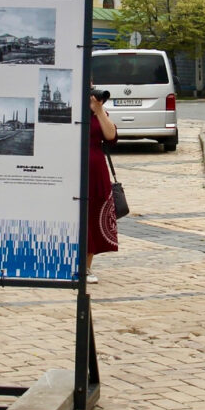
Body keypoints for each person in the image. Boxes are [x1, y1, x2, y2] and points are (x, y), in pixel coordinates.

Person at [85, 90, 120, 279]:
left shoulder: (98, 112)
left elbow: (111, 136)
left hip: (96, 169)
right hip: (73, 167)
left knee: (93, 213)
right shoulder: (70, 110)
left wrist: (98, 110)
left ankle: (86, 267)